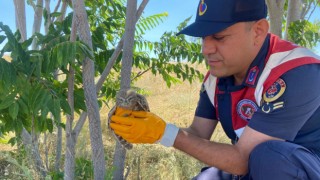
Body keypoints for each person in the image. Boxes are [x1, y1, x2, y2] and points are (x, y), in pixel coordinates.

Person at [110, 0, 320, 179]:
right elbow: (198, 134)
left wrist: (166, 133)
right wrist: (151, 126)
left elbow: (242, 160)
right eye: (203, 37)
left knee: (270, 156)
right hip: (254, 166)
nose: (205, 49)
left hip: (300, 166)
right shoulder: (216, 79)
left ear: (258, 31)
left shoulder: (297, 71)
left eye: (218, 37)